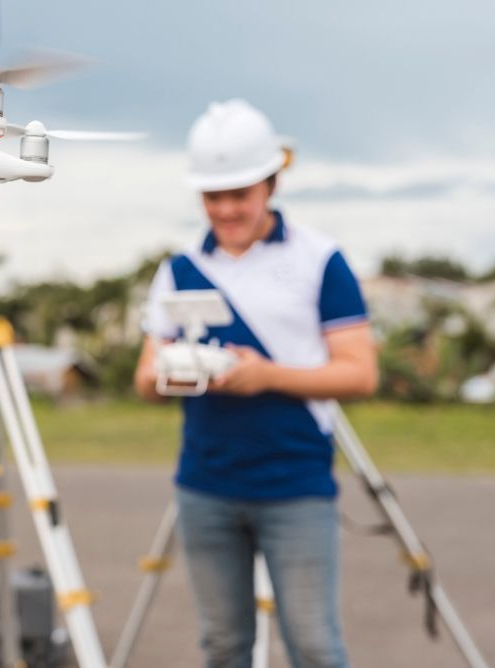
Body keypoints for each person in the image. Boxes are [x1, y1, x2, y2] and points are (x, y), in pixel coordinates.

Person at [134, 99, 378, 668]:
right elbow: (146, 378)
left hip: (295, 484)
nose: (225, 209)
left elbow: (360, 373)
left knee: (314, 646)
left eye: (238, 194)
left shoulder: (322, 260)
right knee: (223, 646)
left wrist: (264, 376)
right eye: (212, 196)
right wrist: (182, 370)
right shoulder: (179, 268)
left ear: (271, 183)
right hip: (206, 484)